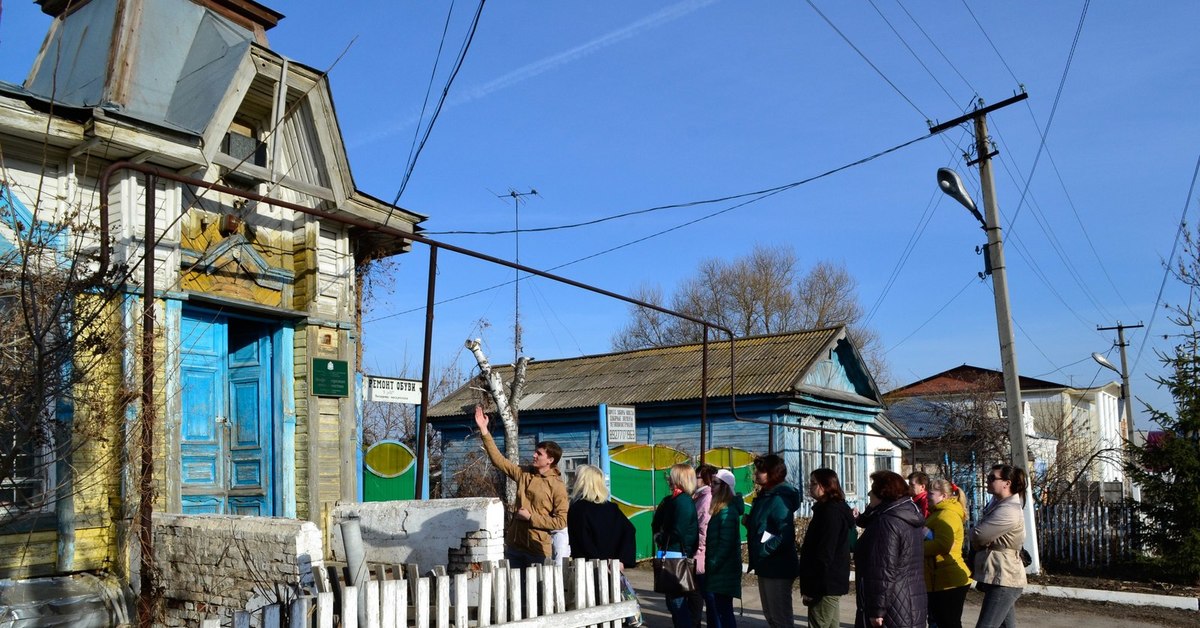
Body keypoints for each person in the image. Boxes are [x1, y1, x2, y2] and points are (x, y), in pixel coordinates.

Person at [473, 404, 569, 568]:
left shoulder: (557, 485)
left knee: (537, 592)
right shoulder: (524, 473)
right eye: (535, 451)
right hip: (515, 546)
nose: (534, 455)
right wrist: (484, 430)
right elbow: (499, 461)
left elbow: (560, 522)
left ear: (550, 460)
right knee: (514, 591)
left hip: (538, 549)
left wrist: (531, 518)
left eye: (539, 454)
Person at [566, 464, 643, 627]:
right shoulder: (611, 508)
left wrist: (598, 559)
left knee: (592, 614)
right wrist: (621, 559)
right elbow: (629, 530)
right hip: (611, 569)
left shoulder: (578, 509)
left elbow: (583, 540)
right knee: (612, 613)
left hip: (588, 569)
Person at [854, 470, 926, 628]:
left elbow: (883, 570)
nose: (869, 494)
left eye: (872, 490)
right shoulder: (905, 514)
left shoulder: (887, 522)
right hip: (910, 600)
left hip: (892, 606)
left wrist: (877, 610)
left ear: (883, 494)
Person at [744, 454, 799, 628]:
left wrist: (763, 549)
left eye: (761, 471)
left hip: (777, 566)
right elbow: (766, 525)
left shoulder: (779, 498)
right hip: (766, 564)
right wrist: (750, 522)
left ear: (772, 473)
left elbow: (785, 534)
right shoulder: (766, 494)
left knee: (780, 617)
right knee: (770, 615)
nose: (756, 474)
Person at [971, 465, 1028, 628]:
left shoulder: (1009, 510)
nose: (987, 481)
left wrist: (977, 537)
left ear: (1006, 483)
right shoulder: (998, 505)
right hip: (1000, 576)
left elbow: (978, 535)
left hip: (1005, 578)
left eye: (991, 478)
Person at [799, 468, 853, 628]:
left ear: (827, 486)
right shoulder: (827, 509)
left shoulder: (830, 512)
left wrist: (812, 589)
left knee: (819, 624)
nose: (810, 486)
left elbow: (825, 553)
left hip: (825, 583)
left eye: (814, 483)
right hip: (828, 582)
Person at [652, 463, 700, 628]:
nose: (668, 480)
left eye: (672, 476)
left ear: (680, 479)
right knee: (673, 602)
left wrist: (660, 537)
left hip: (677, 556)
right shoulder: (675, 499)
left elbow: (678, 531)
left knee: (677, 602)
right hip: (674, 554)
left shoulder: (683, 501)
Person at [924, 478, 971, 628]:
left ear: (943, 496)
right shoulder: (938, 513)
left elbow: (943, 545)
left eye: (931, 493)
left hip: (949, 581)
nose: (926, 496)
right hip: (941, 579)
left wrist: (916, 549)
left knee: (948, 623)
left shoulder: (947, 515)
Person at [703, 469, 742, 628]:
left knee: (723, 612)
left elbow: (725, 544)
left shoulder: (727, 511)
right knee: (721, 610)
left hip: (723, 570)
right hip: (720, 570)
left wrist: (712, 563)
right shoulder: (721, 509)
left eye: (716, 483)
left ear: (725, 487)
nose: (711, 486)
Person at [690, 464, 718, 628]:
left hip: (702, 554)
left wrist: (696, 547)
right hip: (700, 554)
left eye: (697, 476)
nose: (694, 479)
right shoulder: (699, 497)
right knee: (702, 595)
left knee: (707, 596)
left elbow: (703, 528)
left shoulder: (706, 498)